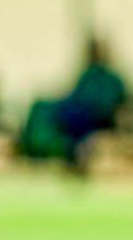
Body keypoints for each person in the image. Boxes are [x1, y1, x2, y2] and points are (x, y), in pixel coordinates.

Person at [55, 35, 128, 170]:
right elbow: (75, 98)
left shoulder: (112, 79)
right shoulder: (86, 76)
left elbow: (119, 102)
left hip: (103, 121)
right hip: (81, 123)